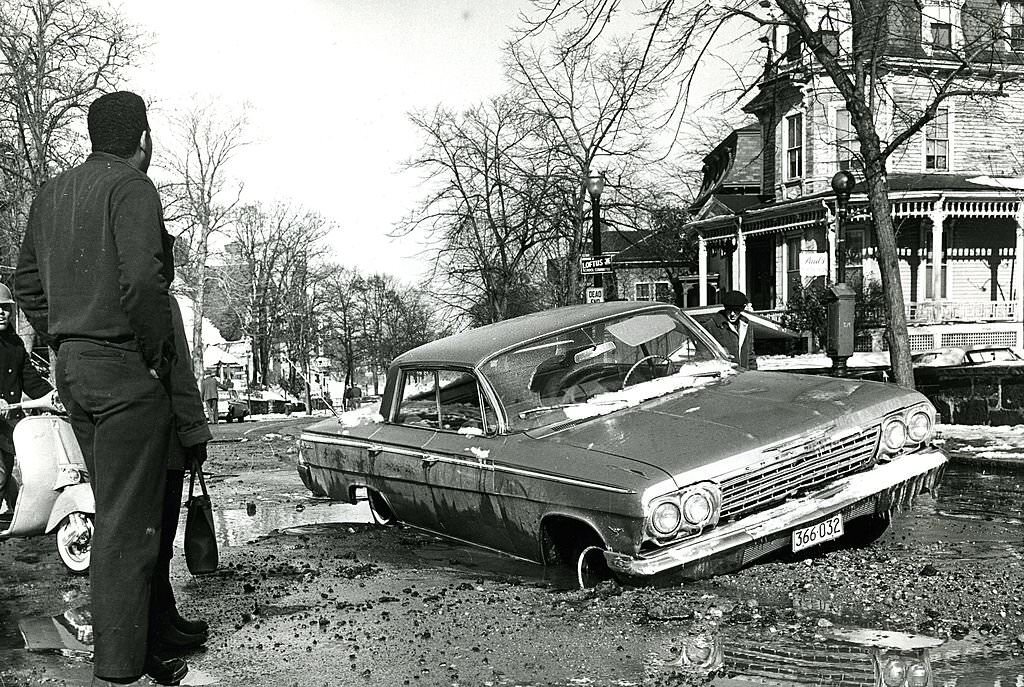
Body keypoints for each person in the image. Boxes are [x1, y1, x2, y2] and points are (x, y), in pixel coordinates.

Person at [14, 92, 184, 686]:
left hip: (76, 370)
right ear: (142, 138)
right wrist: (155, 355)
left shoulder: (51, 193)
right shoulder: (133, 187)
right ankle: (120, 664)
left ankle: (145, 641)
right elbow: (144, 280)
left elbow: (25, 282)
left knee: (115, 506)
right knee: (127, 524)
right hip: (123, 370)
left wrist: (61, 337)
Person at [150, 298, 212, 654]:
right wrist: (193, 433)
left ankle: (163, 613)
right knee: (160, 538)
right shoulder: (162, 303)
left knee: (148, 538)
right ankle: (160, 621)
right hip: (164, 435)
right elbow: (179, 372)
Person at [0, 283, 54, 511]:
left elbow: (31, 381)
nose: (1, 313)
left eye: (5, 308)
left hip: (8, 424)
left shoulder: (14, 343)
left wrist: (56, 396)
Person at [705, 290, 758, 370]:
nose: (732, 314)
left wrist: (754, 374)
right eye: (729, 310)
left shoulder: (746, 324)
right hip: (724, 376)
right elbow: (704, 356)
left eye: (736, 310)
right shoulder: (712, 325)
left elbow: (750, 354)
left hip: (744, 375)